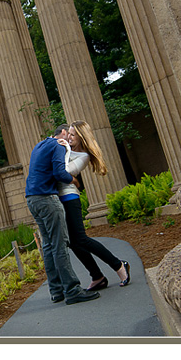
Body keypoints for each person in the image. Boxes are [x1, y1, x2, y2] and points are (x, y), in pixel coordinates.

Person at [25, 124, 100, 305]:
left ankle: (56, 291)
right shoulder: (59, 145)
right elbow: (60, 172)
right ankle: (73, 290)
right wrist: (75, 180)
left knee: (49, 246)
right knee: (60, 244)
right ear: (63, 134)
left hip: (32, 199)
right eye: (70, 136)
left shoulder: (39, 145)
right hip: (47, 198)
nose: (70, 141)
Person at [57, 120, 131, 290]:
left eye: (73, 134)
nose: (69, 137)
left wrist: (65, 150)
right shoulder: (66, 149)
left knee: (81, 238)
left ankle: (119, 265)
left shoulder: (83, 156)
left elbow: (66, 171)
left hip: (70, 198)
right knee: (73, 242)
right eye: (68, 133)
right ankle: (97, 277)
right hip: (60, 198)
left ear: (81, 137)